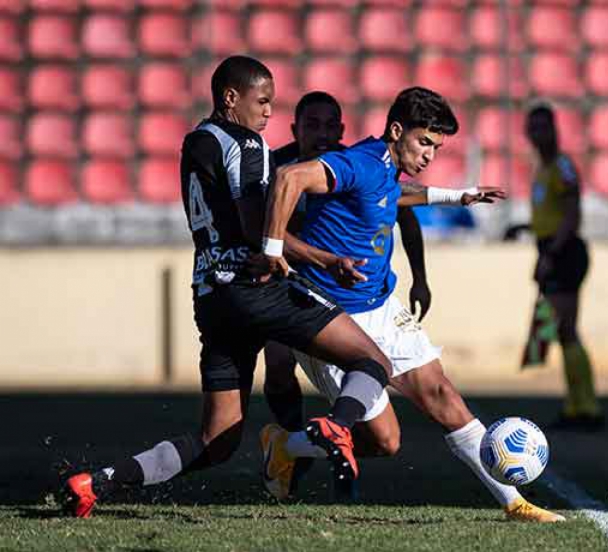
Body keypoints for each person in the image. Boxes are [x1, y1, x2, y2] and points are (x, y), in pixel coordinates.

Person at [60, 55, 394, 518]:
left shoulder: (196, 141)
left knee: (217, 440)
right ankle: (337, 427)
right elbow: (257, 226)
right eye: (263, 101)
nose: (269, 112)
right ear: (230, 97)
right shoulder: (248, 144)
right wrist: (324, 259)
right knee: (373, 359)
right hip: (253, 284)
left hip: (211, 296)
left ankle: (98, 482)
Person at [260, 86, 564, 522]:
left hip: (381, 305)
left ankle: (513, 502)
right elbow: (290, 178)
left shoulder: (384, 166)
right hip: (331, 317)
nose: (429, 155)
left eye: (436, 148)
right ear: (397, 130)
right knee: (385, 442)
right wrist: (273, 248)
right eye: (424, 143)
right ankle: (284, 445)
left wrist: (456, 195)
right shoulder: (359, 162)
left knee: (442, 392)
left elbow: (396, 195)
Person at [260, 90, 432, 498]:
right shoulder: (276, 167)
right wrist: (319, 258)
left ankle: (302, 453)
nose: (321, 133)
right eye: (311, 125)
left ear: (340, 129)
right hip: (286, 283)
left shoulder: (354, 164)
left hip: (343, 292)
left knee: (371, 400)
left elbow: (403, 214)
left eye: (328, 126)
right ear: (294, 130)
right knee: (280, 365)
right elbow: (263, 231)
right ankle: (287, 446)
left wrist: (420, 277)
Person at [524, 103, 602, 431]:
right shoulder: (544, 169)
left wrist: (551, 254)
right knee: (563, 330)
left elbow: (572, 214)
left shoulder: (562, 166)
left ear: (555, 129)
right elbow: (553, 215)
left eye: (544, 127)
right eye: (534, 128)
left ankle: (585, 408)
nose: (539, 134)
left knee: (567, 329)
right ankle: (578, 405)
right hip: (554, 249)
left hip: (564, 252)